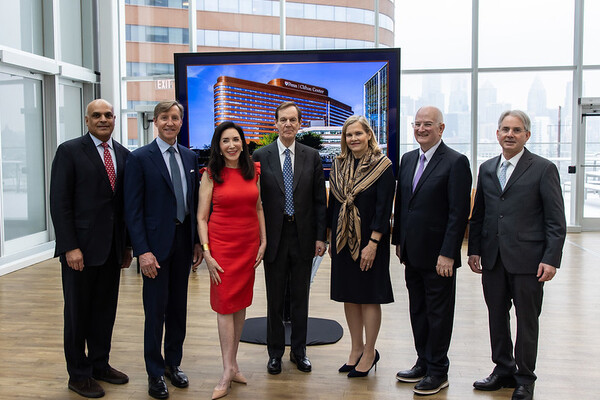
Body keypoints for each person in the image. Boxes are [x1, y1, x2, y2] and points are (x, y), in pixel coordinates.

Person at [468, 110, 566, 400]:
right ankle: (503, 370)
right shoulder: (486, 168)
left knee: (527, 320)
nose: (510, 134)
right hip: (493, 259)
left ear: (527, 135)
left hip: (529, 261)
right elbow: (479, 215)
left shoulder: (543, 169)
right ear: (497, 133)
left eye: (516, 130)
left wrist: (551, 258)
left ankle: (525, 378)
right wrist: (474, 250)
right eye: (505, 129)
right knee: (496, 317)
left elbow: (555, 221)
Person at [50, 99, 132, 398]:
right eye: (96, 115)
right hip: (80, 252)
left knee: (104, 312)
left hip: (111, 251)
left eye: (108, 115)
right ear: (86, 121)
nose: (103, 119)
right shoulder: (69, 151)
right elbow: (60, 204)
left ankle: (100, 364)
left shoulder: (123, 155)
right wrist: (70, 247)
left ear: (114, 119)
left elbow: (123, 207)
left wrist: (126, 246)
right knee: (77, 315)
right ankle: (78, 374)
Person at [124, 100, 202, 400]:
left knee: (178, 311)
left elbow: (192, 203)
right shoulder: (140, 158)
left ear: (181, 122)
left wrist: (196, 241)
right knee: (155, 313)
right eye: (165, 117)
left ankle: (173, 364)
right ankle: (154, 373)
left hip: (183, 244)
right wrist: (142, 251)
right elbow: (132, 210)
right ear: (155, 121)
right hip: (154, 249)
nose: (170, 123)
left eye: (176, 118)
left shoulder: (190, 157)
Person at [392, 106, 472, 395]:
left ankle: (439, 370)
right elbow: (402, 204)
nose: (421, 129)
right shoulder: (408, 158)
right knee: (419, 310)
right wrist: (398, 241)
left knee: (439, 313)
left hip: (440, 257)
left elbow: (458, 213)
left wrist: (449, 253)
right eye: (417, 124)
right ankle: (423, 362)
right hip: (411, 253)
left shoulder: (455, 162)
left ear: (441, 128)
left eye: (428, 124)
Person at [252, 101, 327, 375]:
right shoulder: (260, 155)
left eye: (293, 120)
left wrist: (322, 237)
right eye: (283, 120)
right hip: (273, 238)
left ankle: (299, 351)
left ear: (299, 124)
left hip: (304, 236)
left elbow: (320, 201)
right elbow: (255, 202)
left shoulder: (312, 156)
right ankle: (275, 353)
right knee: (274, 298)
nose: (287, 125)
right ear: (276, 123)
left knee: (300, 297)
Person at [197, 122, 267, 399]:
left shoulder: (254, 171)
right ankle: (226, 371)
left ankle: (234, 364)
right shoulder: (211, 174)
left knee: (239, 305)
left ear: (243, 142)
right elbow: (202, 217)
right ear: (219, 145)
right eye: (225, 141)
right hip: (222, 248)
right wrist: (206, 252)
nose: (231, 145)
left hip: (248, 246)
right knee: (225, 306)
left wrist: (264, 240)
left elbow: (259, 207)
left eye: (236, 139)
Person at [327, 116, 395, 378]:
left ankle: (370, 352)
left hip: (370, 242)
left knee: (368, 297)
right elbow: (334, 204)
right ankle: (355, 349)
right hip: (344, 240)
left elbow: (383, 208)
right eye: (348, 135)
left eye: (358, 134)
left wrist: (374, 243)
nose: (353, 139)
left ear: (369, 135)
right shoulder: (338, 164)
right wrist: (332, 236)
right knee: (349, 295)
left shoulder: (383, 165)